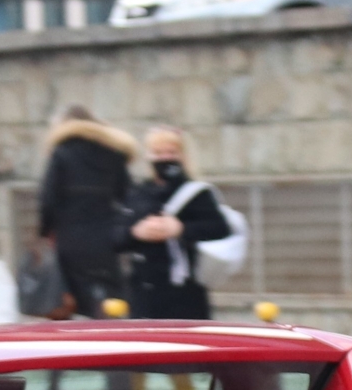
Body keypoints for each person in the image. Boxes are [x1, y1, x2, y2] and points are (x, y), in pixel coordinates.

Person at [36, 105, 138, 317]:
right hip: (107, 241)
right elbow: (129, 198)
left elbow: (48, 201)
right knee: (111, 300)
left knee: (75, 303)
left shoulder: (62, 153)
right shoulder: (114, 154)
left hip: (70, 240)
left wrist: (45, 232)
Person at [120, 125, 229, 321]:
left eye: (171, 152)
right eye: (158, 153)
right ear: (148, 157)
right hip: (143, 294)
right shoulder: (137, 192)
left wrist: (181, 229)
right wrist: (136, 233)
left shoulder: (196, 192)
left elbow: (220, 228)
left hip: (185, 295)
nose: (164, 159)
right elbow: (114, 237)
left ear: (183, 155)